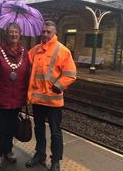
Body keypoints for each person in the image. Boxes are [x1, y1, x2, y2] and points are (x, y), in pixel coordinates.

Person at [25, 21, 76, 171]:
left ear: (55, 33)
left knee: (55, 132)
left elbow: (71, 74)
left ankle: (56, 160)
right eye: (43, 32)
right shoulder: (34, 50)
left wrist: (58, 86)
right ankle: (40, 154)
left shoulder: (63, 51)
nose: (45, 34)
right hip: (37, 100)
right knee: (39, 128)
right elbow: (24, 66)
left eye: (49, 32)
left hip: (53, 102)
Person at [0, 23, 30, 168]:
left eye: (16, 32)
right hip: (0, 97)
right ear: (6, 34)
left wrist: (27, 95)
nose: (14, 34)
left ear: (20, 34)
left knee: (12, 126)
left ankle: (8, 150)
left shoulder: (24, 52)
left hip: (17, 98)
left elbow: (27, 75)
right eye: (11, 32)